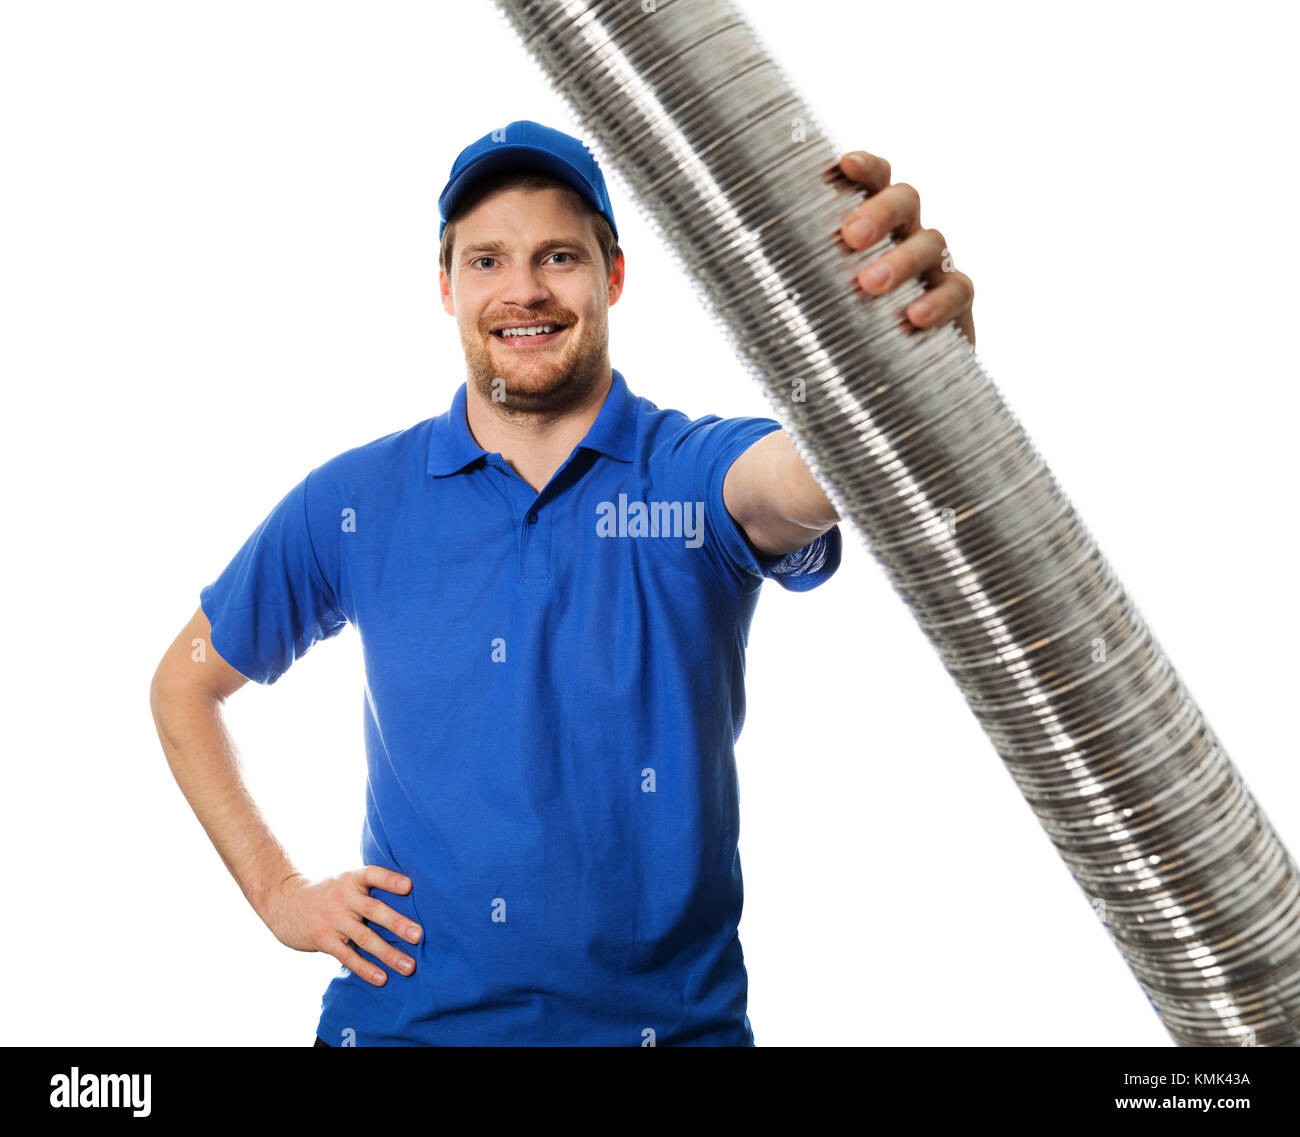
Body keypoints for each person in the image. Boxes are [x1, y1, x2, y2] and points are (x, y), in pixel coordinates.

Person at [149, 120, 975, 1046]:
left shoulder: (690, 476)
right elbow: (185, 684)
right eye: (487, 261)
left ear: (612, 276)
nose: (525, 291)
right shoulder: (354, 500)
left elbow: (810, 479)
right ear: (446, 287)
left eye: (558, 256)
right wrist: (279, 891)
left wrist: (904, 369)